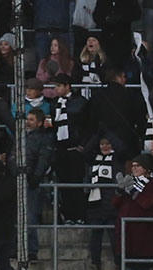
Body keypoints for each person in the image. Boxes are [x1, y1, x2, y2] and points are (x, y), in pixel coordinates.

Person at [113, 154, 153, 270]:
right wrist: (120, 190)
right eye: (133, 166)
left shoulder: (152, 184)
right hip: (127, 232)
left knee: (142, 268)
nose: (134, 168)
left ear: (146, 168)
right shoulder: (129, 181)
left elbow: (147, 203)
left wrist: (133, 191)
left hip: (143, 233)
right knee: (128, 267)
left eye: (137, 166)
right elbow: (115, 203)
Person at [50, 74, 89, 225]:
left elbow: (87, 124)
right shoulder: (54, 103)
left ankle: (80, 215)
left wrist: (83, 144)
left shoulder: (80, 102)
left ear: (67, 86)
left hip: (75, 148)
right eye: (55, 86)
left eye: (59, 86)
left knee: (76, 183)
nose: (56, 89)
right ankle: (68, 215)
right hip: (60, 148)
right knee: (64, 184)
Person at [85, 134, 121, 270]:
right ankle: (95, 265)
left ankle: (119, 265)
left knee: (113, 236)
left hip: (111, 202)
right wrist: (98, 133)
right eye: (102, 144)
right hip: (95, 202)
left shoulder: (117, 158)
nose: (105, 146)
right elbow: (86, 151)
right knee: (95, 235)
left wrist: (109, 133)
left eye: (107, 143)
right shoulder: (94, 157)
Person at [24, 108, 54, 262]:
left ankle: (31, 250)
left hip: (32, 182)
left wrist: (35, 176)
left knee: (30, 216)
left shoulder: (44, 139)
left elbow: (44, 159)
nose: (27, 122)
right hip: (18, 180)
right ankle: (15, 248)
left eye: (31, 120)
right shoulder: (21, 136)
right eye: (27, 119)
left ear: (40, 123)